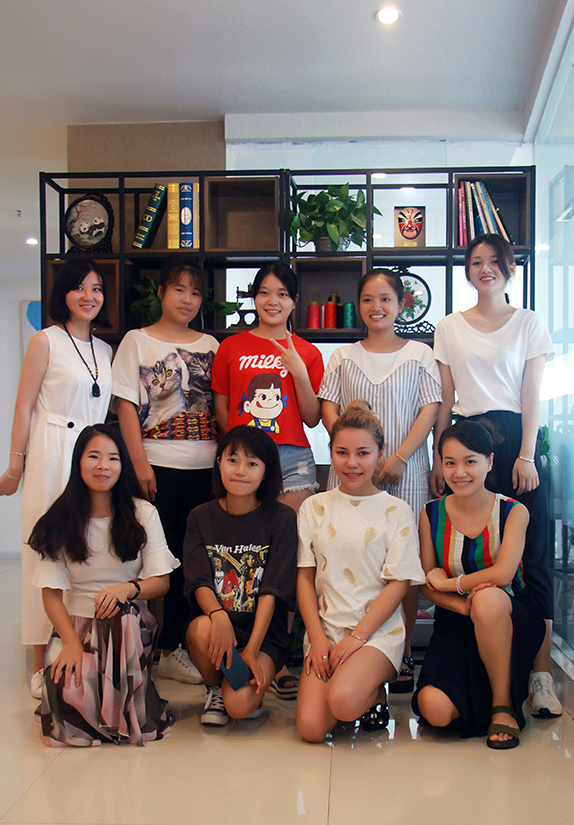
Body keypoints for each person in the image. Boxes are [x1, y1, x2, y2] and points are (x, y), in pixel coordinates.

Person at [430, 233, 560, 717]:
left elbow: (531, 395)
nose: (484, 269)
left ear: (509, 268)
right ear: (467, 271)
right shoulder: (449, 326)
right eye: (475, 262)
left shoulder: (528, 322)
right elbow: (446, 400)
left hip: (515, 444)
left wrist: (526, 455)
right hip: (465, 443)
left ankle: (540, 675)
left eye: (493, 261)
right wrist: (439, 458)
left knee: (532, 558)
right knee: (467, 551)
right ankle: (480, 662)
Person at [0, 258, 112, 698]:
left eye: (96, 288)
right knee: (42, 552)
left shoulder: (105, 350)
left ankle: (77, 644)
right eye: (80, 287)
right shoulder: (45, 340)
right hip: (51, 450)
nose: (89, 296)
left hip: (90, 455)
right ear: (64, 293)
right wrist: (15, 463)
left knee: (84, 549)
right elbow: (24, 406)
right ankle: (38, 662)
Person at [319, 269, 441, 692]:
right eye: (368, 299)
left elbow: (429, 409)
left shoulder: (420, 354)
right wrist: (354, 454)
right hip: (352, 472)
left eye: (386, 299)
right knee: (346, 553)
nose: (377, 307)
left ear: (401, 304)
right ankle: (345, 645)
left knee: (401, 562)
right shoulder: (343, 356)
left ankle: (401, 653)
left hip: (405, 470)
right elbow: (328, 408)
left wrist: (400, 456)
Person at [211, 262, 324, 698]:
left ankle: (279, 656)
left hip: (293, 459)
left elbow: (311, 416)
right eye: (264, 292)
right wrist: (237, 454)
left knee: (288, 557)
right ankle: (245, 645)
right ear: (254, 297)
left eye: (282, 293)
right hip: (246, 459)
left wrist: (297, 369)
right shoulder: (232, 347)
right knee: (250, 555)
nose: (272, 301)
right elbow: (223, 408)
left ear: (294, 301)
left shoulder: (307, 352)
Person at [29, 424, 179, 747]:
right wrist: (71, 643)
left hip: (128, 625)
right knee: (69, 698)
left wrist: (127, 590)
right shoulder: (59, 518)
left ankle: (121, 717)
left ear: (123, 465)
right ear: (78, 462)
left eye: (112, 458)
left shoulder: (143, 513)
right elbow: (51, 595)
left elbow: (162, 581)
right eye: (93, 456)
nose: (103, 466)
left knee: (119, 620)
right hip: (75, 626)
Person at [112, 258, 218, 685]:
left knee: (195, 561)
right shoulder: (136, 341)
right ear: (161, 293)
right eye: (179, 289)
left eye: (195, 292)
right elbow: (125, 405)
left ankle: (180, 647)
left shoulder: (210, 344)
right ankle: (148, 646)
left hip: (206, 468)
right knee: (157, 558)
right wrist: (139, 463)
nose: (187, 299)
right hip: (157, 466)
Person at [296, 400, 425, 743]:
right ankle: (352, 685)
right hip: (327, 629)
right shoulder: (314, 507)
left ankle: (374, 691)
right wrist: (317, 638)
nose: (351, 463)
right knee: (311, 729)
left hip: (376, 633)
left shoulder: (397, 510)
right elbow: (304, 578)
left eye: (363, 453)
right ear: (331, 452)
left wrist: (357, 638)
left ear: (380, 453)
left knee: (343, 701)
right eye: (342, 453)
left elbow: (399, 584)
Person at [413, 421, 546, 749]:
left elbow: (502, 575)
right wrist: (463, 606)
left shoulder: (513, 511)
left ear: (489, 462)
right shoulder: (430, 513)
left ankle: (503, 705)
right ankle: (481, 697)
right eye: (450, 462)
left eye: (470, 461)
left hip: (509, 615)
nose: (459, 472)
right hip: (456, 620)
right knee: (434, 710)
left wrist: (451, 583)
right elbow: (426, 584)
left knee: (488, 599)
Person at [184, 426, 298, 726]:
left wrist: (252, 649)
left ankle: (240, 687)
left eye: (252, 463)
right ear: (219, 463)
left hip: (264, 635)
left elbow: (273, 590)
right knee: (201, 629)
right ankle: (215, 689)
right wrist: (218, 615)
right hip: (218, 626)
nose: (240, 471)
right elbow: (198, 581)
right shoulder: (200, 516)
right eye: (232, 460)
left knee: (239, 707)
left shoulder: (282, 518)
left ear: (265, 471)